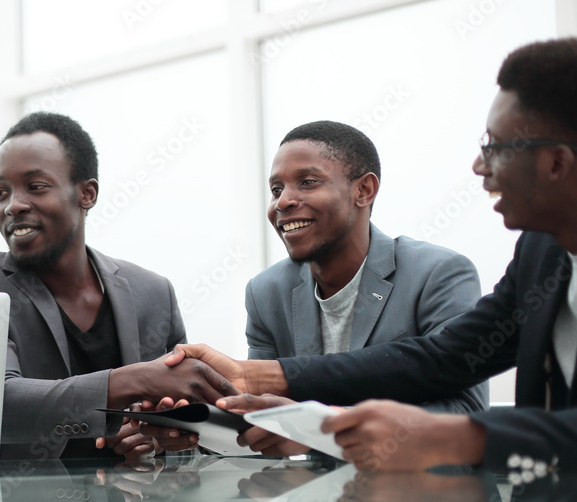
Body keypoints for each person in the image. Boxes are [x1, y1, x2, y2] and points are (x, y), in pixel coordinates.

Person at [166, 38, 577, 477]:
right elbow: (440, 358)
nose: (479, 166)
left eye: (495, 147)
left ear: (556, 162)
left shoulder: (441, 269)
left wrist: (449, 436)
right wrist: (260, 383)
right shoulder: (542, 254)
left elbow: (459, 399)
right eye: (276, 189)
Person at [0, 112, 236, 461]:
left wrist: (160, 438)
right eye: (0, 192)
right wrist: (133, 381)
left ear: (87, 193)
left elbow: (192, 429)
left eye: (35, 187)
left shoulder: (154, 293)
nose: (13, 205)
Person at [239, 120, 485, 456]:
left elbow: (466, 412)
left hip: (422, 495)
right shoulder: (265, 292)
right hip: (306, 497)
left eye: (307, 183)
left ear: (364, 191)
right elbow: (260, 412)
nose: (283, 203)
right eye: (277, 189)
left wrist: (328, 429)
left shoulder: (438, 273)